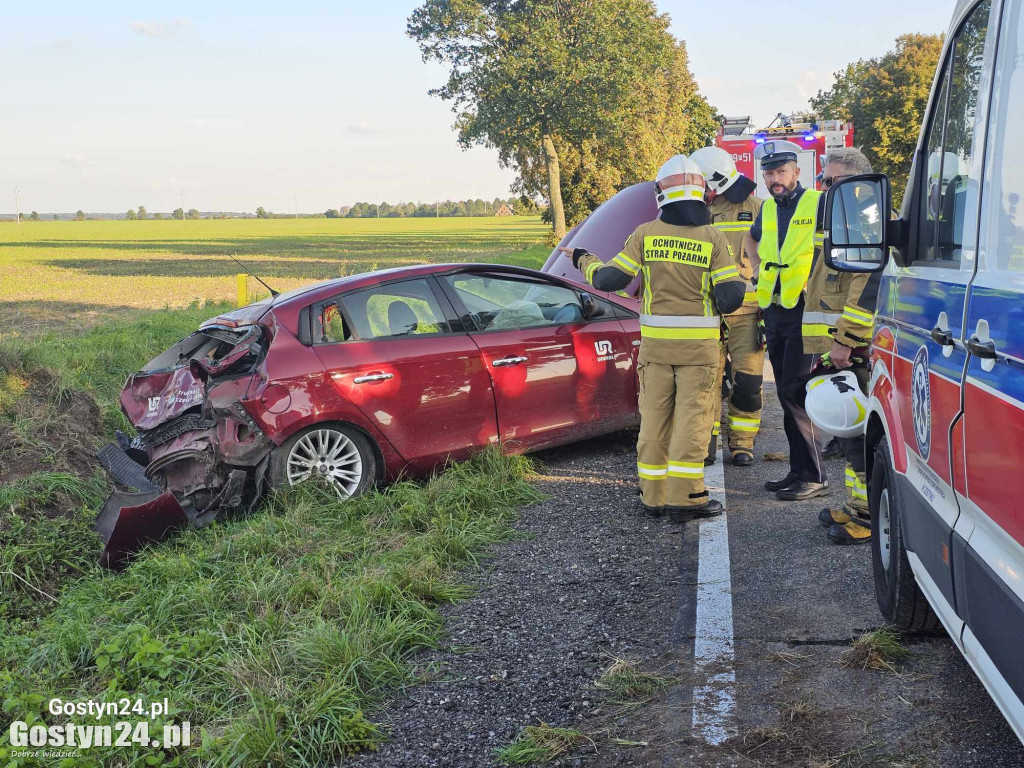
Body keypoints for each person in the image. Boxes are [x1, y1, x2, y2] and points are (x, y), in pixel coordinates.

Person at [559, 155, 746, 521]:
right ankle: (686, 498)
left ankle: (653, 496)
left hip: (656, 352)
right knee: (692, 422)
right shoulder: (713, 238)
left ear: (661, 194)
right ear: (702, 195)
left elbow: (608, 280)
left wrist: (584, 258)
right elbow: (730, 298)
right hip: (699, 354)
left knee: (654, 420)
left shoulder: (646, 234)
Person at [742, 140, 827, 500]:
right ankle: (798, 472)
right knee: (786, 392)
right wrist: (757, 268)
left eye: (781, 171)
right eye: (769, 173)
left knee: (797, 394)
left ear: (796, 172)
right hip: (776, 308)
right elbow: (751, 238)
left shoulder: (817, 204)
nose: (775, 178)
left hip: (805, 312)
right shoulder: (768, 209)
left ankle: (814, 476)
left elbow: (830, 250)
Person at [804, 147, 881, 544]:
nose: (823, 187)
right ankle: (856, 506)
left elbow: (864, 292)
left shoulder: (866, 224)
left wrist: (846, 342)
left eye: (830, 181)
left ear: (856, 183)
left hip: (852, 348)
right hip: (837, 344)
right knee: (850, 436)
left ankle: (868, 518)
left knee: (857, 433)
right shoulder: (849, 218)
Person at [691, 146, 765, 468]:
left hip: (748, 314)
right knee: (706, 382)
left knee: (747, 382)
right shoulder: (691, 211)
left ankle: (743, 442)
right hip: (706, 313)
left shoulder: (759, 208)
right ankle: (705, 442)